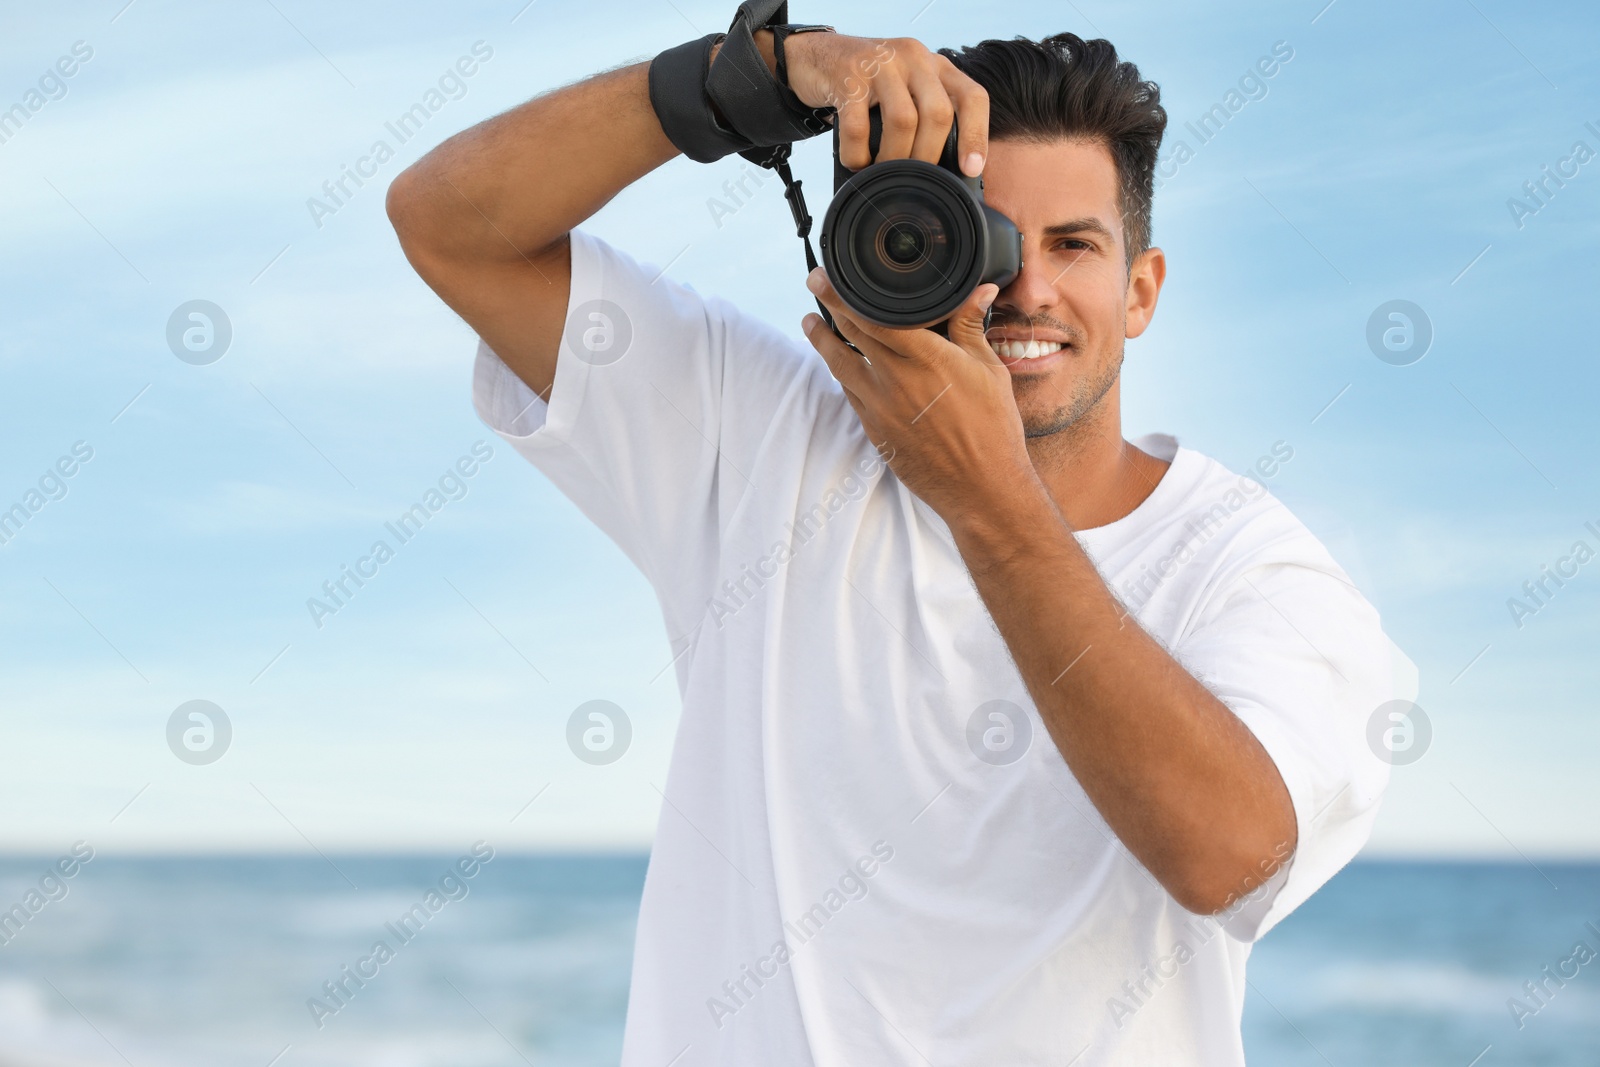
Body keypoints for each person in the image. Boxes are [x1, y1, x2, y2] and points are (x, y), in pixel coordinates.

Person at [386, 19, 1416, 1067]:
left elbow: (1229, 859)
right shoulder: (762, 437)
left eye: (1073, 244)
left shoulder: (1249, 568)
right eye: (982, 233)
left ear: (1141, 288)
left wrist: (986, 497)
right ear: (891, 240)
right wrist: (753, 80)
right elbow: (449, 223)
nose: (1024, 288)